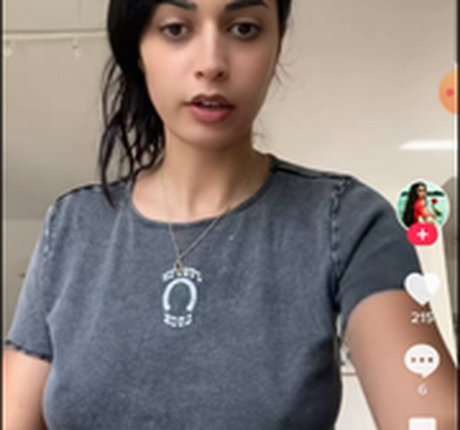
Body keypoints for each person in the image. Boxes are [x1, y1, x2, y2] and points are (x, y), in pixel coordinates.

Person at [3, 1, 457, 429]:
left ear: (277, 43)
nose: (212, 64)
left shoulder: (346, 222)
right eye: (175, 29)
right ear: (138, 48)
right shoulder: (72, 228)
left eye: (244, 29)